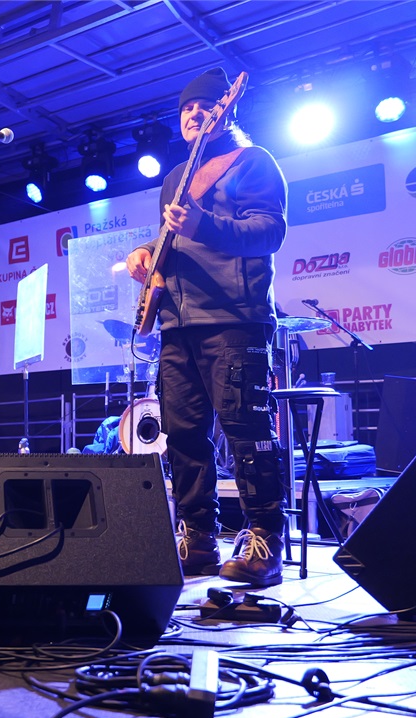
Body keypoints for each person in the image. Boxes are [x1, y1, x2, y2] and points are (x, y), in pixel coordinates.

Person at [125, 67, 289, 587]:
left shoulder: (253, 161)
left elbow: (269, 231)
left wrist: (203, 223)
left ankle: (265, 540)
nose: (193, 114)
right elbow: (170, 241)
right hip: (177, 324)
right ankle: (197, 538)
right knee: (182, 436)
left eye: (204, 106)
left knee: (247, 431)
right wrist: (144, 253)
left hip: (234, 319)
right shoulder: (175, 177)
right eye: (185, 108)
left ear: (227, 107)